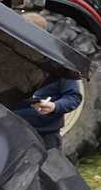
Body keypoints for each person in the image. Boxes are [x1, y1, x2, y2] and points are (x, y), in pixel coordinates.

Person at [13, 13, 82, 153]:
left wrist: (55, 106)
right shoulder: (8, 59)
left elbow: (73, 97)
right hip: (14, 132)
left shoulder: (59, 64)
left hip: (46, 135)